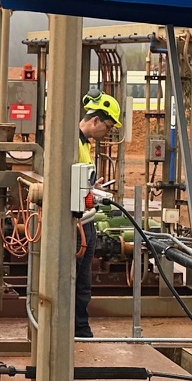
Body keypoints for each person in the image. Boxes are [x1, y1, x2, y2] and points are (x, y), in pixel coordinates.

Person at [75, 91, 122, 338]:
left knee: (83, 281)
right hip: (76, 224)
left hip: (86, 221)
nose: (108, 132)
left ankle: (81, 329)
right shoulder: (72, 143)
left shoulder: (84, 144)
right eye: (108, 126)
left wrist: (95, 189)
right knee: (75, 279)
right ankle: (76, 329)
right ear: (95, 120)